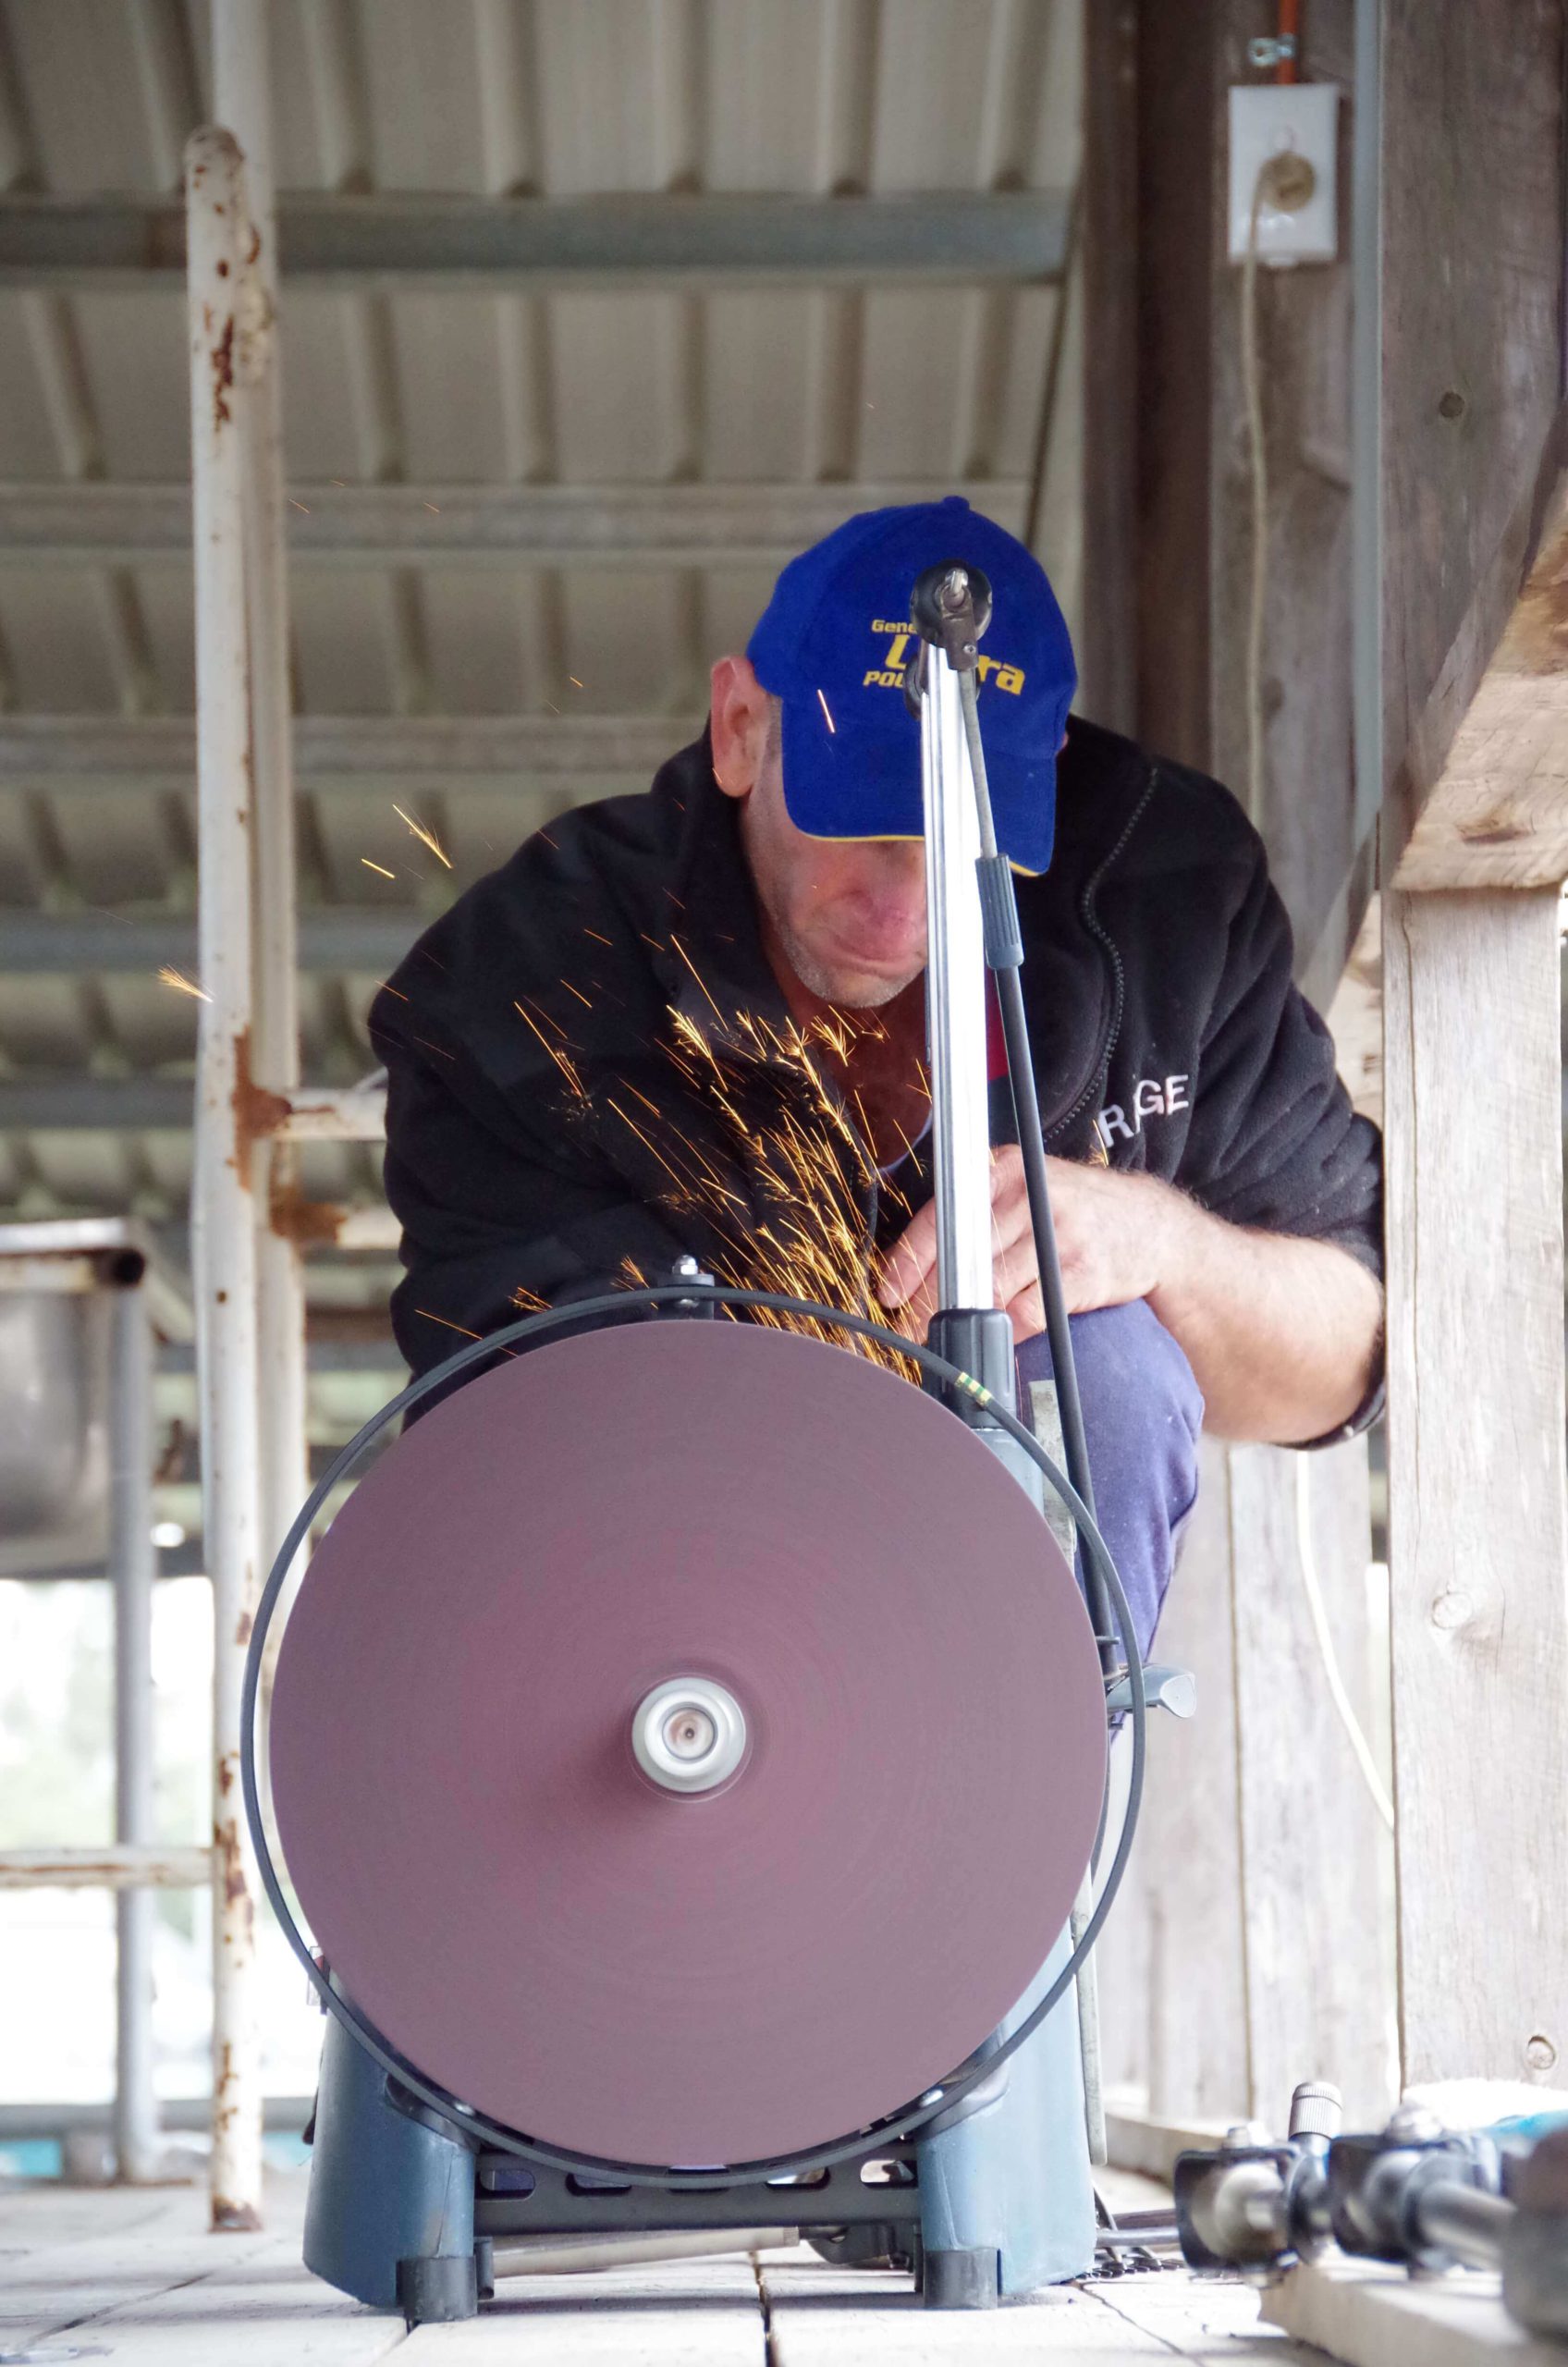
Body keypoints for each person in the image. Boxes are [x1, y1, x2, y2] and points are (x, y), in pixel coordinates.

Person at [370, 499, 1383, 1651]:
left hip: (1002, 1662)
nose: (904, 906)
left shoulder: (1165, 896)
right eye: (860, 827)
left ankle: (1031, 1808)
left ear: (1042, 774)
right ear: (740, 727)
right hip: (679, 1627)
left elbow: (1345, 1354)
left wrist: (1163, 1241)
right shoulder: (539, 988)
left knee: (1105, 1371)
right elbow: (501, 1473)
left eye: (957, 844)